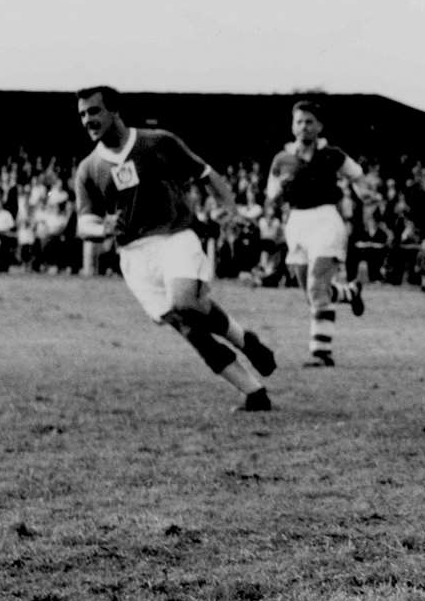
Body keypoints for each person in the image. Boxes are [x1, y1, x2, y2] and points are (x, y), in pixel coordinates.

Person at [71, 86, 277, 412]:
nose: (87, 120)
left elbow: (207, 174)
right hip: (134, 257)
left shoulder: (157, 142)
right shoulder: (88, 169)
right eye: (82, 114)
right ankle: (254, 392)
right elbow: (85, 223)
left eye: (93, 111)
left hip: (174, 236)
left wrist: (231, 212)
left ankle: (243, 340)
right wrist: (101, 229)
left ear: (114, 111)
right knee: (187, 326)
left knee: (186, 303)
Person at [266, 100, 368, 368]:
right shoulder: (282, 159)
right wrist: (279, 193)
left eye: (309, 121)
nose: (304, 127)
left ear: (319, 126)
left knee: (316, 286)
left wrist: (365, 193)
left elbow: (357, 176)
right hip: (297, 222)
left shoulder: (332, 154)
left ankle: (321, 352)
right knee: (311, 292)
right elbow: (272, 195)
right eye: (299, 121)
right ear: (292, 126)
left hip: (325, 219)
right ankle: (349, 292)